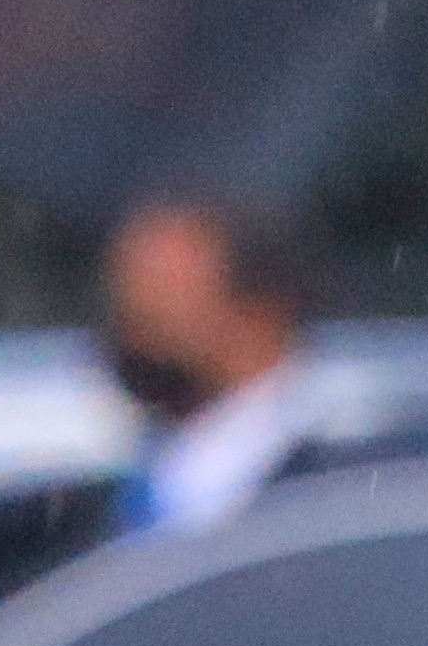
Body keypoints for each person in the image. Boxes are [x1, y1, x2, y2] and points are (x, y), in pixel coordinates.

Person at [96, 197, 328, 540]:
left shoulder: (329, 492)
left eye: (164, 304)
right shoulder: (140, 481)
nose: (137, 338)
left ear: (258, 315)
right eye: (128, 311)